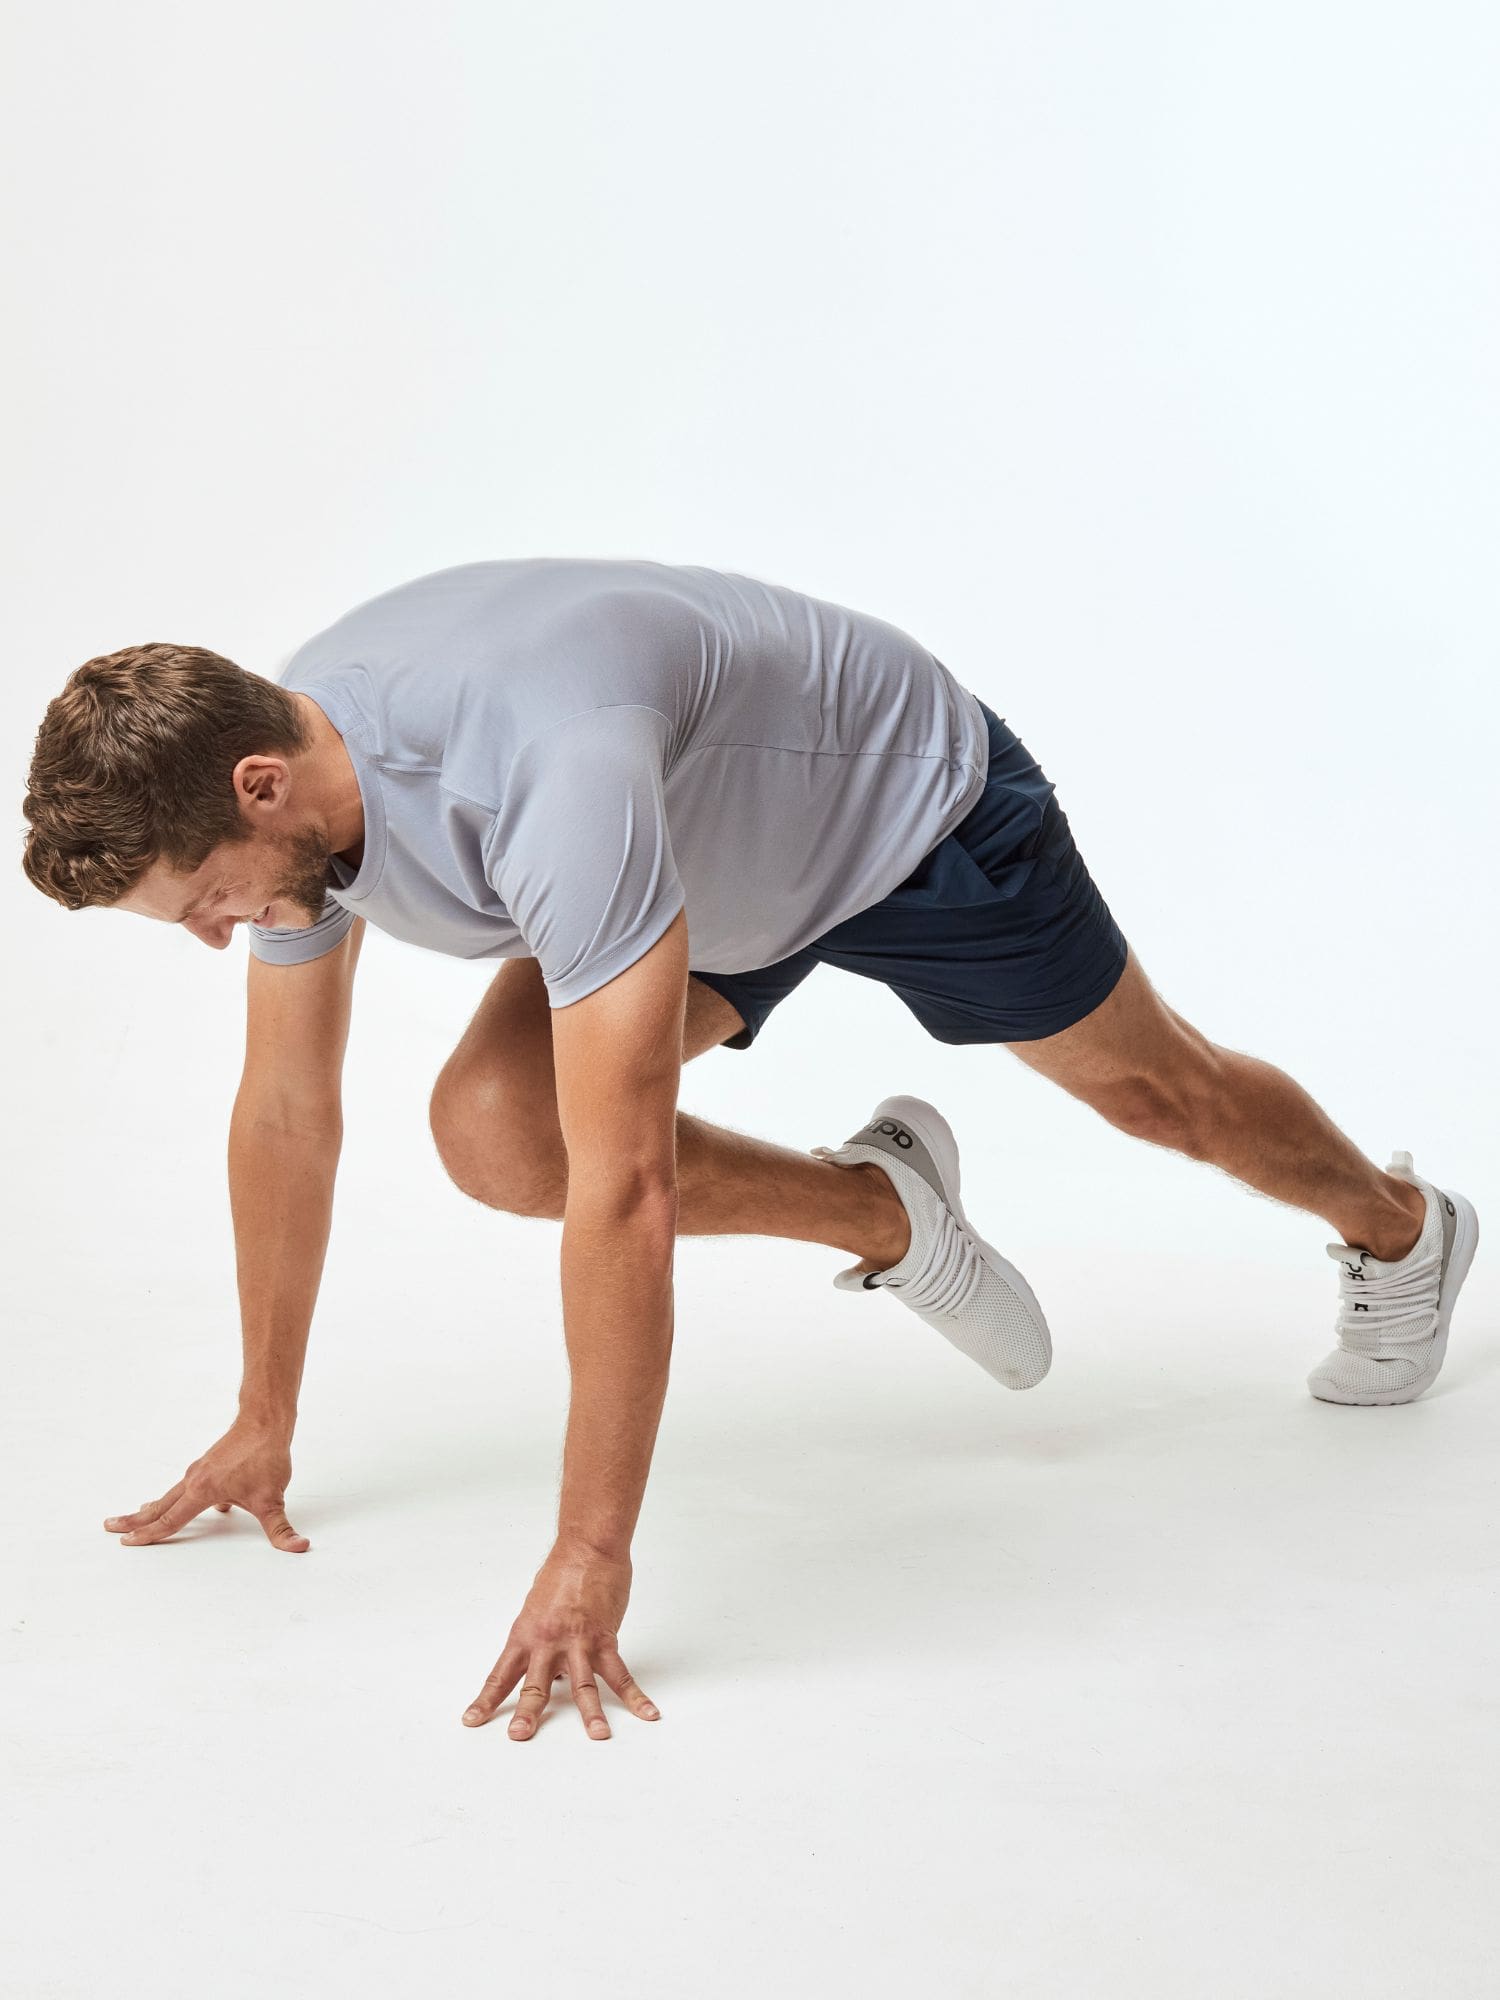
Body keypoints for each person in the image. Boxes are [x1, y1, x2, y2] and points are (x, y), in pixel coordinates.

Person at [21, 557, 1479, 1743]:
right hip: (695, 861)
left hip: (902, 815)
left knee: (1163, 1095)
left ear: (258, 785)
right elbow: (286, 1108)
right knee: (495, 1132)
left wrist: (593, 1553)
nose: (221, 934)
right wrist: (263, 1414)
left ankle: (1403, 1229)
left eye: (208, 900)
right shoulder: (287, 782)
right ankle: (885, 1215)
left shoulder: (544, 770)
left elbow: (631, 1189)